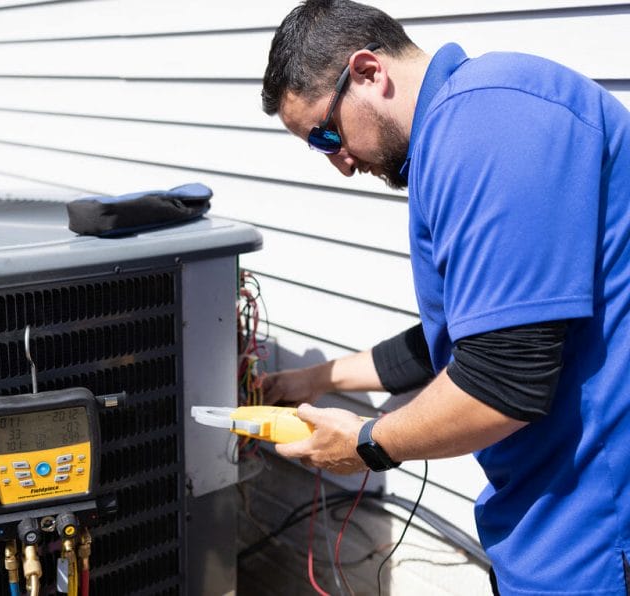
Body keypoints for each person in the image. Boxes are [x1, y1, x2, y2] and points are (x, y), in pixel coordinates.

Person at [260, 1, 630, 595]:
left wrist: (365, 445)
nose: (341, 164)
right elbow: (474, 334)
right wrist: (315, 378)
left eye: (326, 134)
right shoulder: (463, 123)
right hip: (551, 513)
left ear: (367, 72)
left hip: (598, 525)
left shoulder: (490, 122)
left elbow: (503, 380)